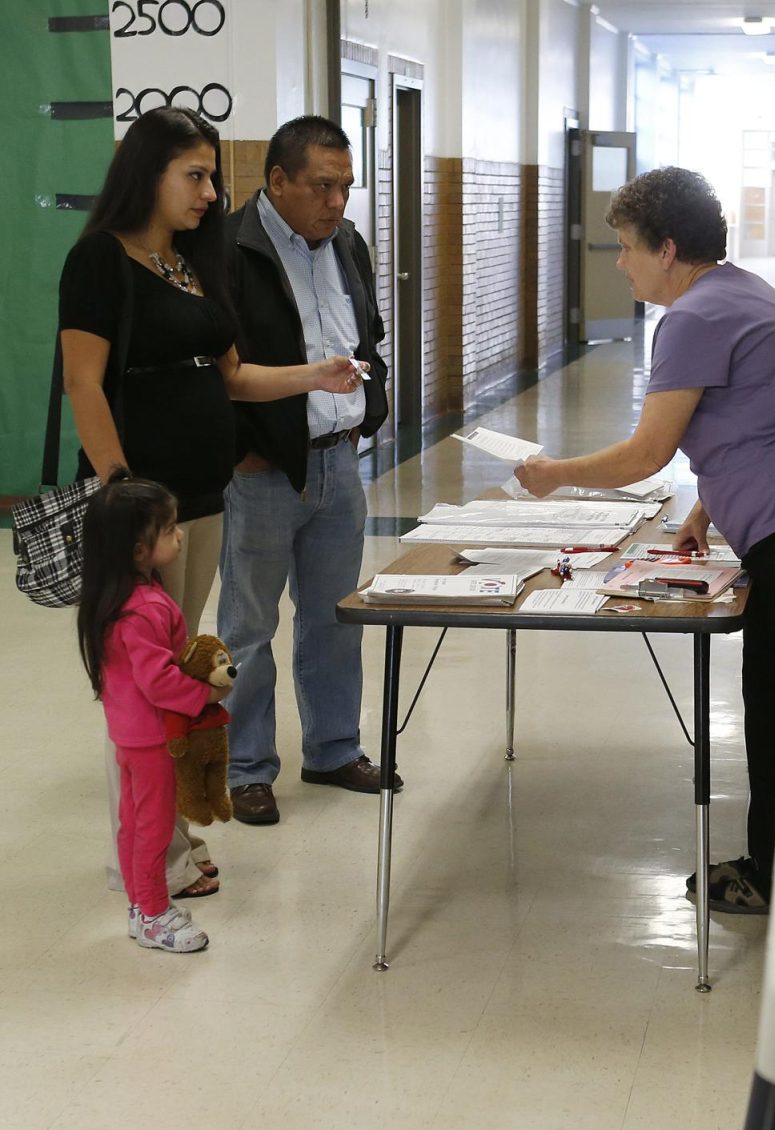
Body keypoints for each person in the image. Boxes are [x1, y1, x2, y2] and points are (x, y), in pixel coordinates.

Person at [59, 107, 367, 897]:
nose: (207, 193)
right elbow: (83, 383)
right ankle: (149, 849)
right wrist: (122, 487)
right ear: (148, 175)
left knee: (178, 673)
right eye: (193, 177)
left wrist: (316, 375)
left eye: (209, 177)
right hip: (144, 512)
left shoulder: (191, 264)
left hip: (203, 498)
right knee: (142, 682)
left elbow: (233, 376)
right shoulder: (101, 260)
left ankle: (172, 831)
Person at [515, 166, 775, 913]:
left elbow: (645, 454)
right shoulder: (743, 289)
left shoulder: (692, 318)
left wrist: (552, 472)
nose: (619, 262)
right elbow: (764, 416)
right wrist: (710, 507)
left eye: (625, 247)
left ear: (666, 248)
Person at [218, 115, 393, 825]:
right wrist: (243, 448)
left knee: (334, 618)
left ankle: (331, 749)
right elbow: (218, 368)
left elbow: (366, 337)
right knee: (249, 627)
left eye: (346, 186)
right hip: (261, 473)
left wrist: (368, 410)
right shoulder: (230, 250)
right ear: (278, 180)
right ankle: (248, 767)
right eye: (322, 186)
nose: (336, 202)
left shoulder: (348, 244)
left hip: (336, 463)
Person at [77, 472, 232, 952]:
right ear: (137, 550)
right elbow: (158, 679)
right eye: (168, 529)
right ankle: (153, 913)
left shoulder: (121, 597)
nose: (180, 533)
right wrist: (203, 696)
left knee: (134, 822)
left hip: (129, 734)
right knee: (153, 829)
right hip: (150, 739)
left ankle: (141, 905)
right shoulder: (143, 608)